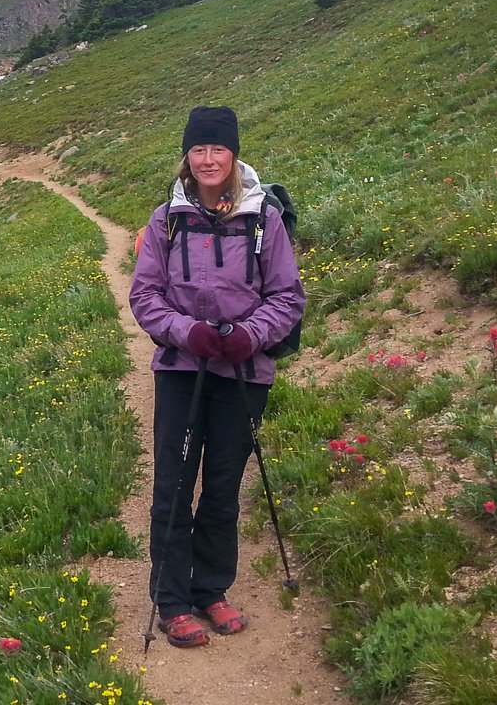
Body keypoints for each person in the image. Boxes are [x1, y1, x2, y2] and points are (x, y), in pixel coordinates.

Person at [128, 105, 306, 648]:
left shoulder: (264, 219)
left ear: (233, 155)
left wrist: (248, 336)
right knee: (174, 485)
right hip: (182, 368)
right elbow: (145, 296)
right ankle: (172, 600)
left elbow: (287, 296)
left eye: (217, 149)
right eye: (198, 150)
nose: (208, 159)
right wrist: (189, 332)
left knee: (224, 485)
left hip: (245, 371)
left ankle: (211, 590)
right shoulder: (166, 220)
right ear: (187, 156)